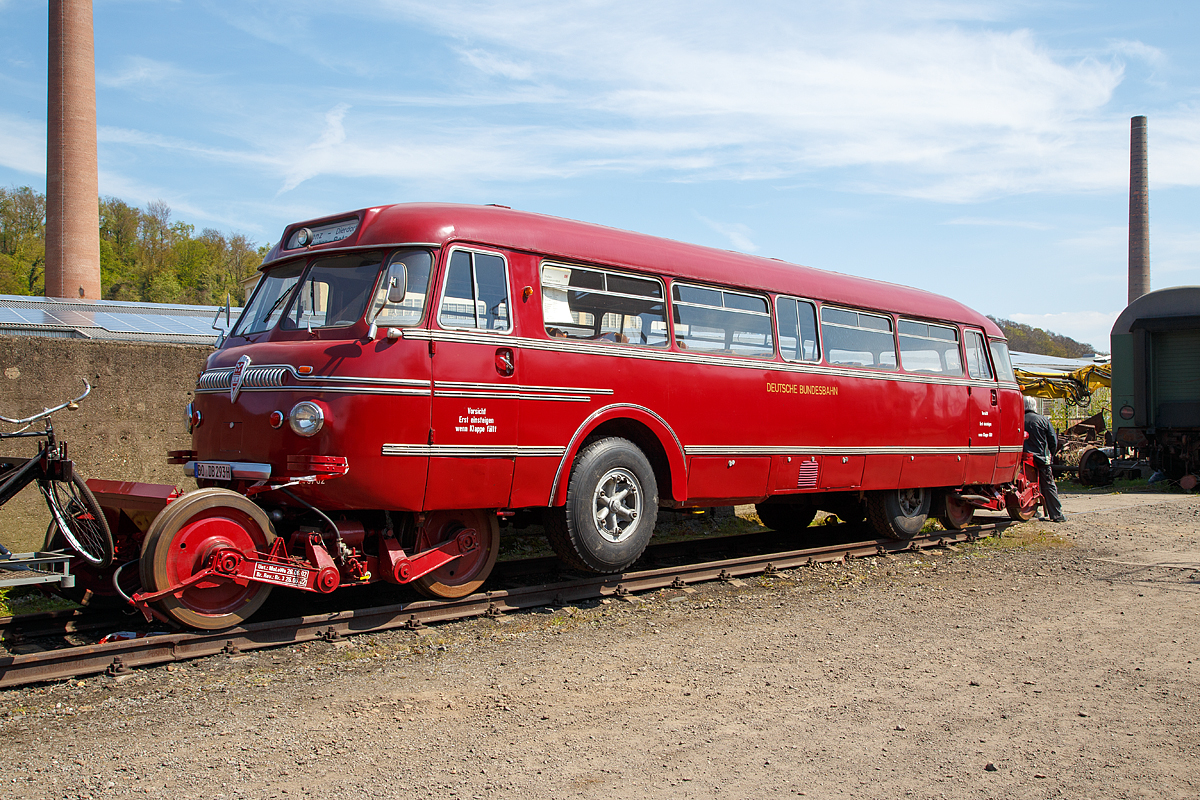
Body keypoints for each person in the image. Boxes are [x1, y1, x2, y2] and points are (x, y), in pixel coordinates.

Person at [1023, 396, 1066, 522]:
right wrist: (1051, 455)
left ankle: (1032, 511)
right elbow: (1053, 440)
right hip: (1040, 459)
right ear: (1034, 406)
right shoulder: (1043, 420)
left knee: (1026, 487)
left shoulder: (1017, 419)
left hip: (1020, 460)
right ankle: (1056, 515)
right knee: (1048, 486)